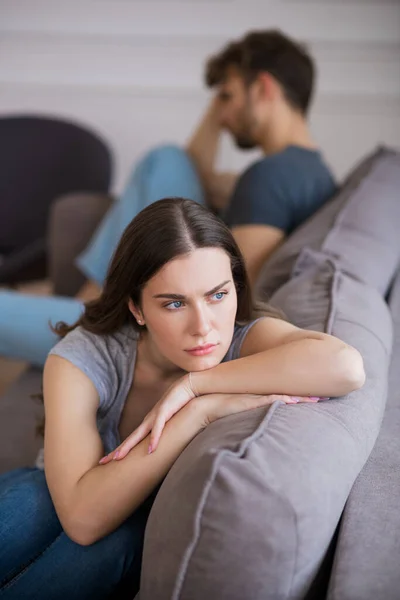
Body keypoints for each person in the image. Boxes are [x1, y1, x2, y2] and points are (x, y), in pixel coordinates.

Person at [0, 198, 365, 599]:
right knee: (30, 505)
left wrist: (196, 392)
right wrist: (195, 415)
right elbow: (81, 514)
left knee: (113, 547)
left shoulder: (244, 338)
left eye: (217, 295)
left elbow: (346, 367)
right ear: (136, 308)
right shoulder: (85, 356)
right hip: (59, 492)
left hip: (131, 532)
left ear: (234, 286)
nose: (203, 327)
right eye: (174, 303)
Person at [0, 29, 336, 367]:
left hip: (149, 333)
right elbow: (194, 168)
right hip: (160, 308)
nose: (223, 115)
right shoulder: (308, 172)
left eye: (228, 95)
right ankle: (92, 303)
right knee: (167, 158)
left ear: (263, 87)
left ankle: (91, 321)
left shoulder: (269, 178)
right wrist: (222, 102)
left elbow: (234, 293)